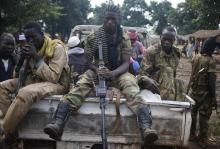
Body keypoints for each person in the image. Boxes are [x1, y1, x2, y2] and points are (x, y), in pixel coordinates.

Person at [44, 4, 158, 145]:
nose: (110, 22)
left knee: (132, 88)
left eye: (113, 19)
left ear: (118, 20)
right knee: (80, 86)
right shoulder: (94, 37)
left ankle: (146, 127)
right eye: (107, 19)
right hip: (97, 71)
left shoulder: (124, 38)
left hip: (118, 72)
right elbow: (87, 61)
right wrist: (97, 69)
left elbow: (125, 63)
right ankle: (58, 123)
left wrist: (112, 73)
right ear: (103, 19)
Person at [0, 22, 70, 141]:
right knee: (2, 87)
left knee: (25, 92)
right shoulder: (29, 47)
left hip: (57, 84)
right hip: (36, 81)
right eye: (27, 38)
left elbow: (53, 77)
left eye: (34, 37)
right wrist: (21, 60)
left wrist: (36, 57)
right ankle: (11, 128)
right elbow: (17, 77)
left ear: (42, 35)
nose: (30, 41)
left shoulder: (56, 48)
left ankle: (4, 136)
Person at [188, 35, 220, 148]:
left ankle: (191, 134)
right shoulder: (211, 61)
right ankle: (202, 139)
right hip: (205, 94)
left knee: (192, 113)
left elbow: (193, 74)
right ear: (212, 48)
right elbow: (211, 82)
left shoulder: (196, 57)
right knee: (204, 117)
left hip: (194, 91)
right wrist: (214, 97)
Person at [138, 26, 184, 101]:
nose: (167, 42)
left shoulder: (176, 53)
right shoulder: (152, 52)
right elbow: (142, 74)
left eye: (170, 40)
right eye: (164, 39)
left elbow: (174, 72)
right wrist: (147, 80)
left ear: (174, 40)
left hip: (170, 88)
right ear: (160, 37)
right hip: (154, 89)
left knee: (179, 81)